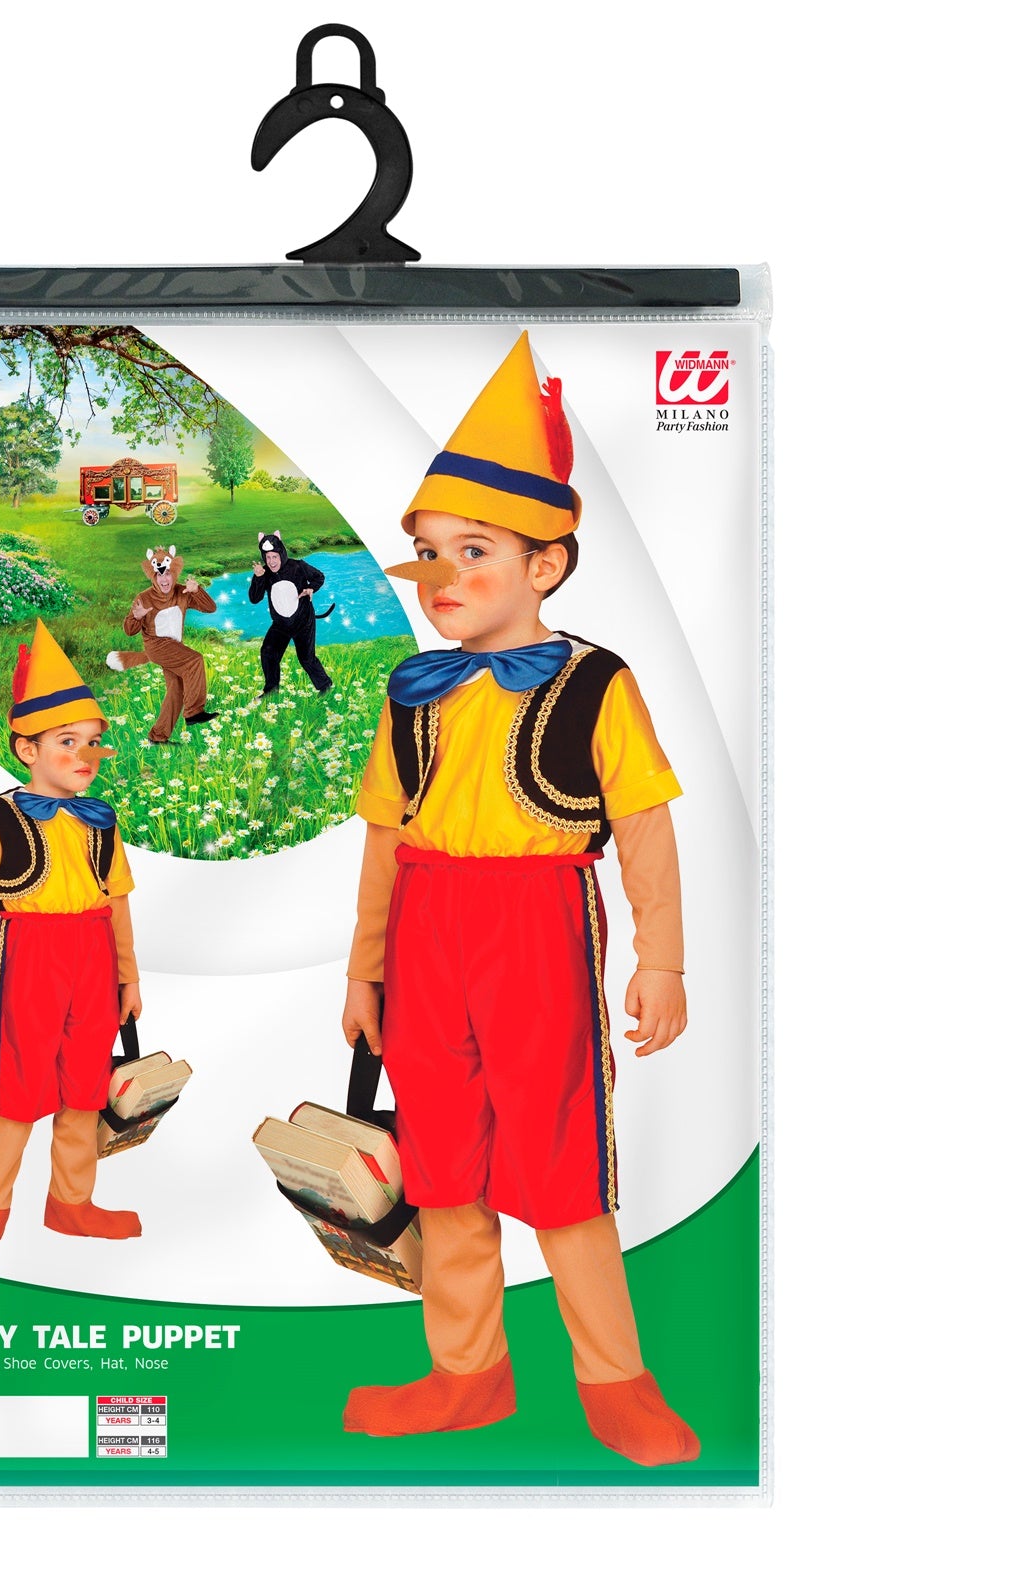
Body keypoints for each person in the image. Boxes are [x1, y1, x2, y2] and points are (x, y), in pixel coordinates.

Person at [340, 333, 699, 1467]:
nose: (442, 576)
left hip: (537, 926)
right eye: (428, 553)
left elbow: (643, 825)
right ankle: (466, 1373)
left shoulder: (596, 683)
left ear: (546, 565)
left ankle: (614, 1380)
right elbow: (387, 837)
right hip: (425, 930)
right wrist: (364, 969)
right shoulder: (412, 692)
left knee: (558, 1157)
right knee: (442, 1158)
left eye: (474, 550)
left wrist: (660, 958)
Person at [0, 619, 144, 1256]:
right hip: (32, 953)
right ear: (26, 749)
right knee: (19, 1082)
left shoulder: (101, 821)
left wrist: (129, 977)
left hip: (94, 955)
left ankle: (71, 1203)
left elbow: (116, 901)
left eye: (94, 742)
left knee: (85, 1082)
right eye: (67, 741)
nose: (86, 755)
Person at [106, 543, 218, 745]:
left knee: (176, 690)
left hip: (175, 648)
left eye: (167, 574)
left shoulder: (182, 592)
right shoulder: (144, 598)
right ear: (153, 577)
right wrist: (136, 617)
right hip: (157, 646)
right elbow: (129, 631)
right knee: (195, 660)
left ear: (174, 574)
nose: (164, 580)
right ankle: (194, 712)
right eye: (159, 575)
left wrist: (197, 591)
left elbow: (210, 608)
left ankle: (158, 737)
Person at [248, 530, 334, 694]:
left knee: (306, 658)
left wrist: (311, 588)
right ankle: (271, 690)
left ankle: (325, 686)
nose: (272, 562)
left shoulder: (298, 566)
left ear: (281, 553)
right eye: (268, 557)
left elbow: (319, 576)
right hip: (281, 624)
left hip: (303, 621)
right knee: (268, 652)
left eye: (275, 556)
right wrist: (258, 578)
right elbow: (254, 598)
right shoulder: (264, 573)